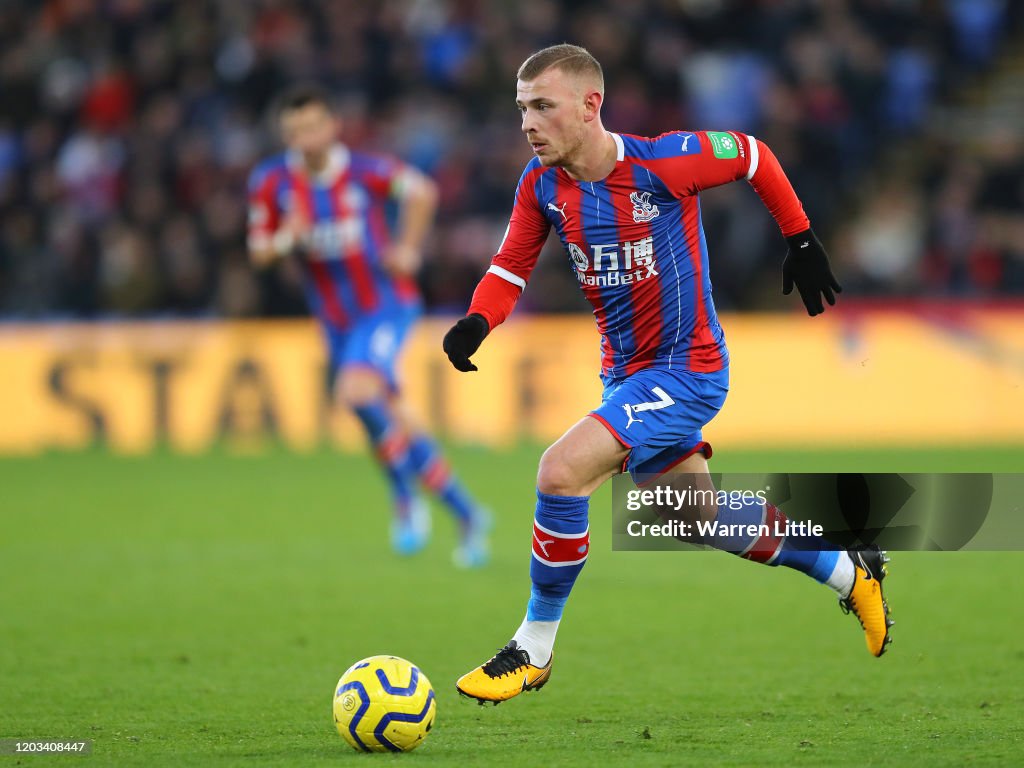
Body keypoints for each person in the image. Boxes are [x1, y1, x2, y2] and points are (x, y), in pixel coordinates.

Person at [442, 44, 892, 704]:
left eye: (542, 106)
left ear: (590, 105)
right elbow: (510, 268)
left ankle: (532, 648)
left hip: (688, 370)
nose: (527, 124)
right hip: (626, 378)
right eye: (521, 109)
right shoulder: (541, 188)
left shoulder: (665, 162)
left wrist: (800, 239)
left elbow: (754, 157)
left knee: (561, 472)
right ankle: (849, 572)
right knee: (696, 516)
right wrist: (478, 321)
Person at [249, 85, 489, 567]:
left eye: (313, 126)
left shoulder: (364, 172)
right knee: (394, 419)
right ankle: (467, 514)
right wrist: (284, 240)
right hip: (335, 321)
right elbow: (258, 252)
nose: (305, 138)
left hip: (385, 305)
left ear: (333, 125)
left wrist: (408, 247)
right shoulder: (271, 182)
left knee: (357, 392)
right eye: (295, 130)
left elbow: (421, 191)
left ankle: (405, 501)